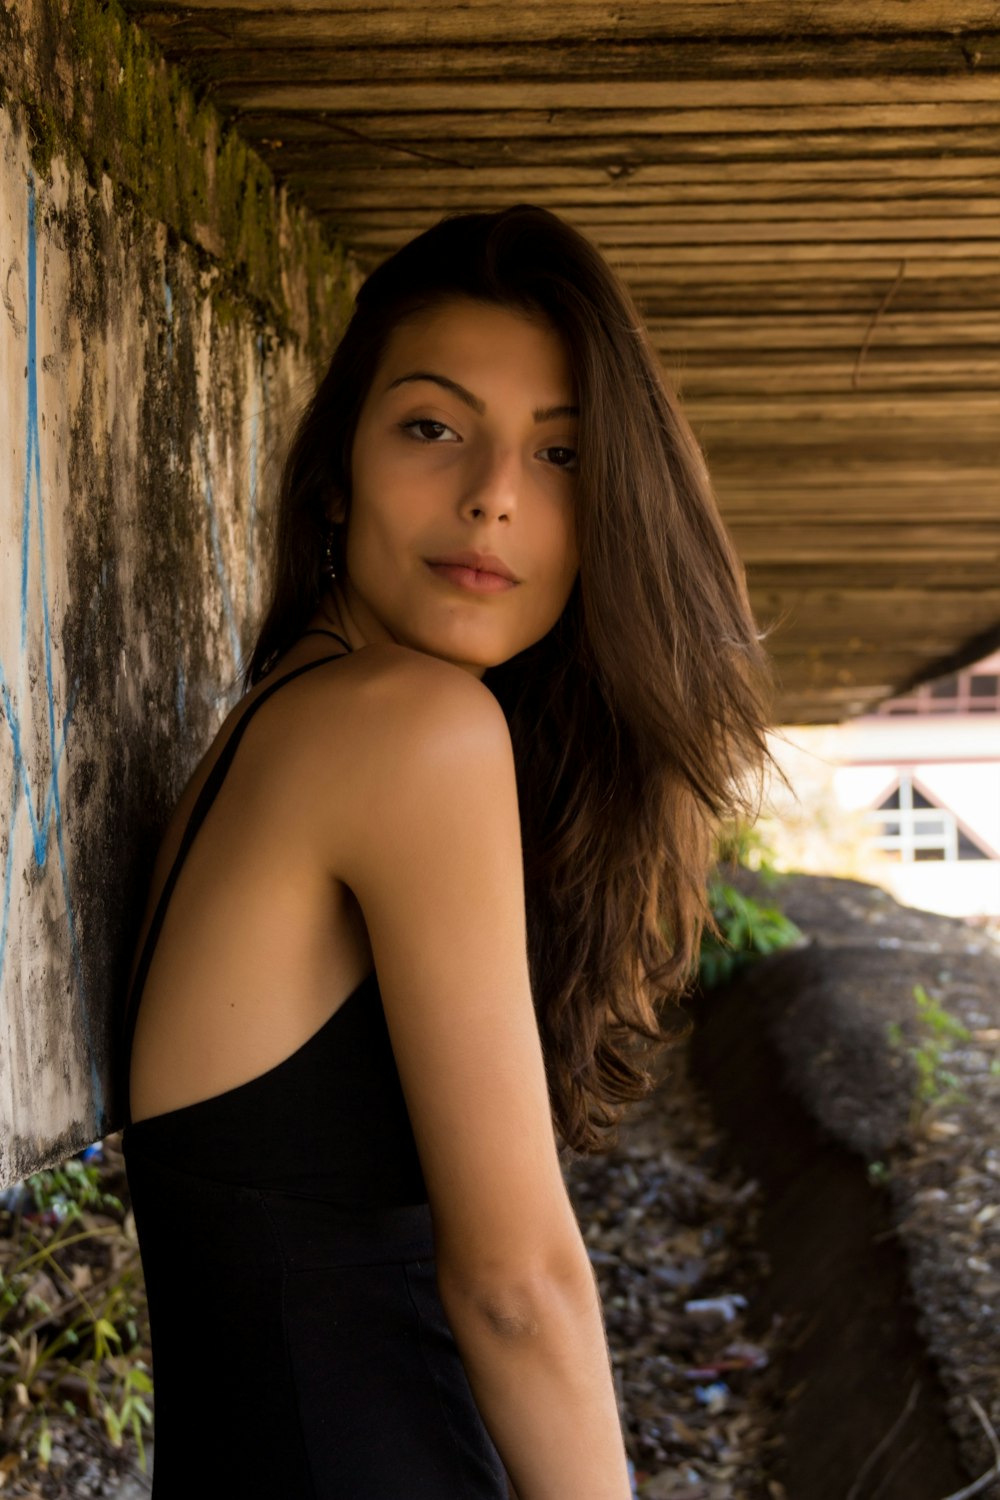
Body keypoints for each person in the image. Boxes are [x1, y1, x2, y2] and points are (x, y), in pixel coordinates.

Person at [118, 204, 781, 1499]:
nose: (493, 495)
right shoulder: (412, 730)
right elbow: (516, 1286)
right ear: (337, 466)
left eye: (562, 454)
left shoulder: (287, 722)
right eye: (433, 427)